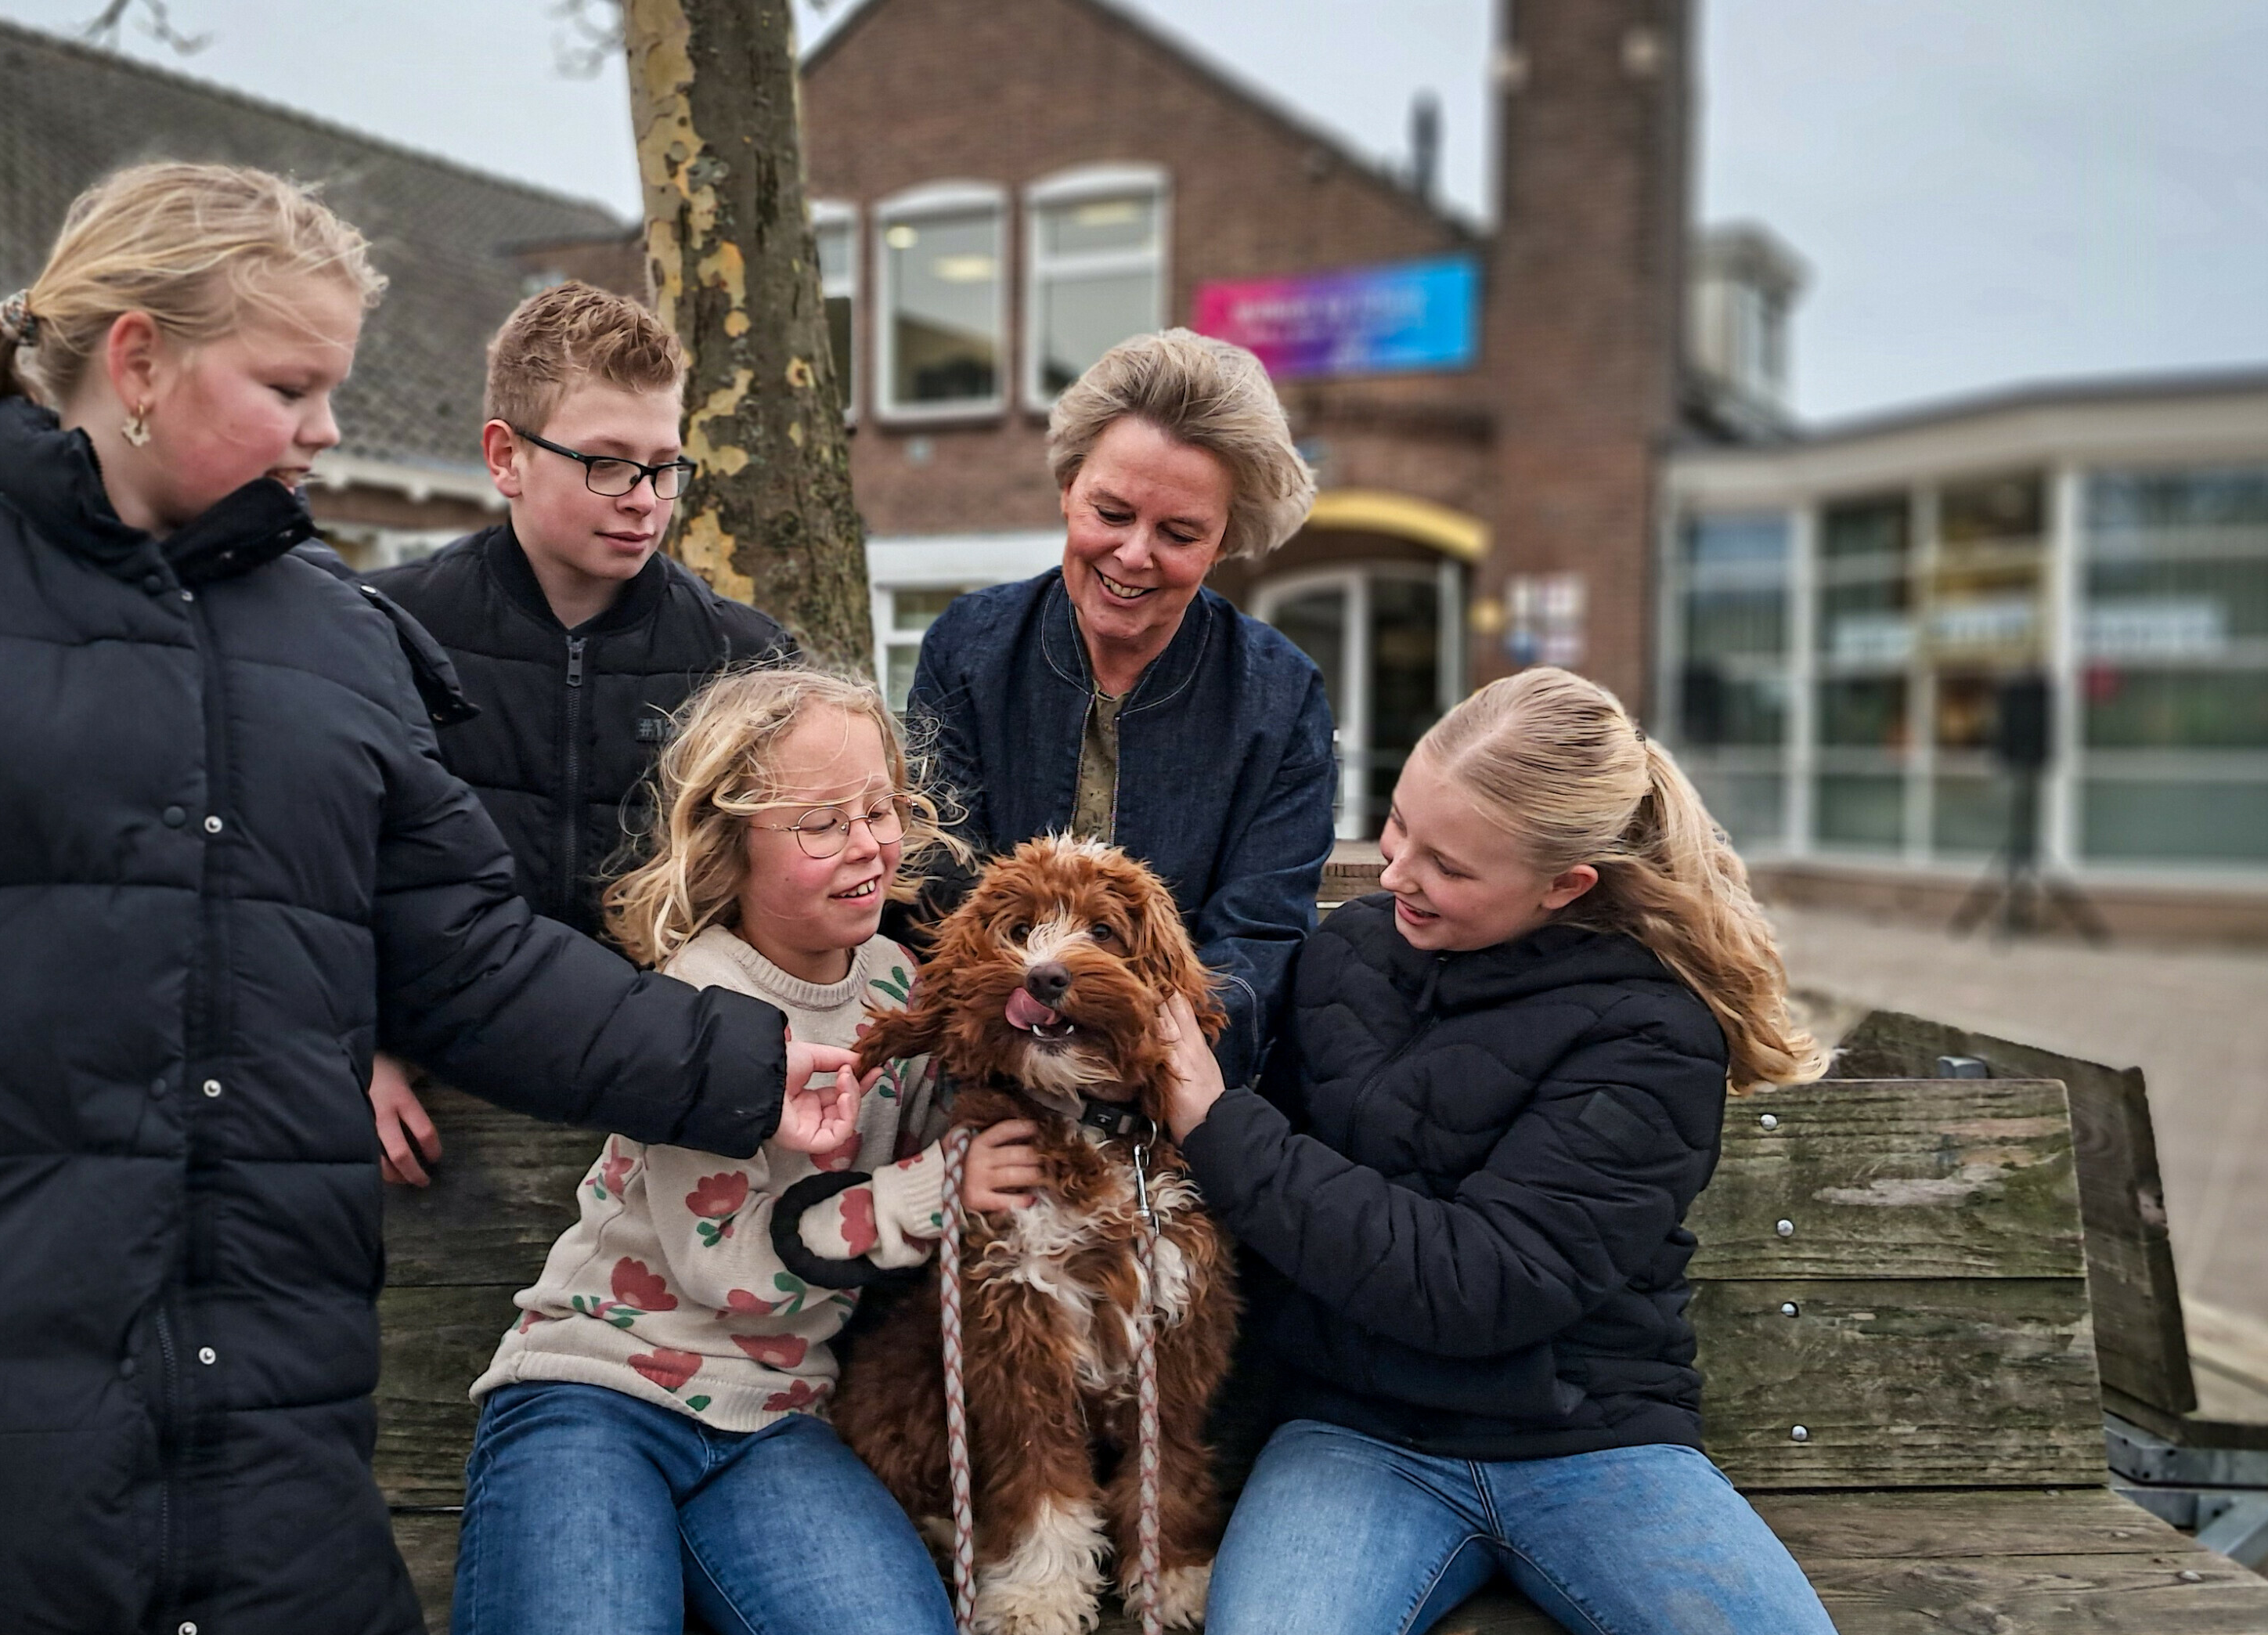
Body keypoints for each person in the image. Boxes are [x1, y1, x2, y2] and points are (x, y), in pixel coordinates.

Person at [0, 162, 861, 1635]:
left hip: (268, 1399)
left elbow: (468, 956)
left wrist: (748, 1069)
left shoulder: (339, 640)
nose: (327, 428)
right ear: (140, 362)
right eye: (290, 386)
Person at [1155, 667, 1838, 1635]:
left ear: (1565, 885)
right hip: (1351, 1436)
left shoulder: (1651, 1034)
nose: (1394, 874)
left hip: (1592, 1445)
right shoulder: (1348, 954)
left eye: (1448, 866)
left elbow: (1481, 1284)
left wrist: (1218, 1124)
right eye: (1397, 826)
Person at [450, 669, 1043, 1635]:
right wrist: (933, 1192)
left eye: (880, 808)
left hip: (776, 1418)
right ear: (731, 843)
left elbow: (952, 1130)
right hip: (598, 1394)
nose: (867, 844)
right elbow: (725, 1265)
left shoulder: (898, 982)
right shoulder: (697, 1003)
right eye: (820, 824)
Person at [359, 280, 791, 1189]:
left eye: (664, 466)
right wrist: (351, 1040)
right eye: (606, 463)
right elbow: (312, 879)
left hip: (680, 1124)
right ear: (505, 457)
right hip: (435, 1133)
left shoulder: (747, 661)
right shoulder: (382, 633)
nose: (644, 499)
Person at [900, 328, 1332, 1088]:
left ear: (1224, 540)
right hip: (984, 1067)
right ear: (1068, 488)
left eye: (1180, 533)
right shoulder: (967, 647)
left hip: (1173, 1081)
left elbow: (1260, 937)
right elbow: (942, 880)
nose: (1134, 555)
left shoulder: (1282, 696)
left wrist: (1159, 1078)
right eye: (1111, 512)